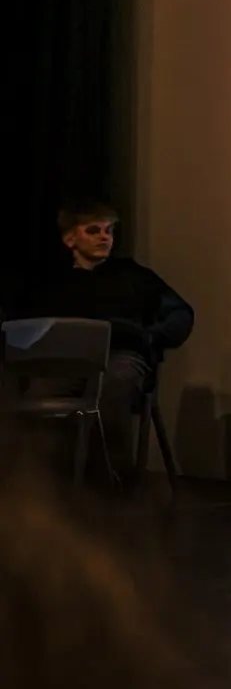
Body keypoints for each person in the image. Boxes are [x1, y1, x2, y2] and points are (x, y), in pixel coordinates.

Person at [27, 201, 194, 480]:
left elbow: (180, 313)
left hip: (120, 355)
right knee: (38, 391)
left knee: (113, 385)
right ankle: (43, 484)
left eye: (109, 230)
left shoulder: (132, 275)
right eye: (94, 231)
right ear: (70, 239)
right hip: (68, 362)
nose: (104, 237)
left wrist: (150, 338)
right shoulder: (53, 283)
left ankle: (110, 482)